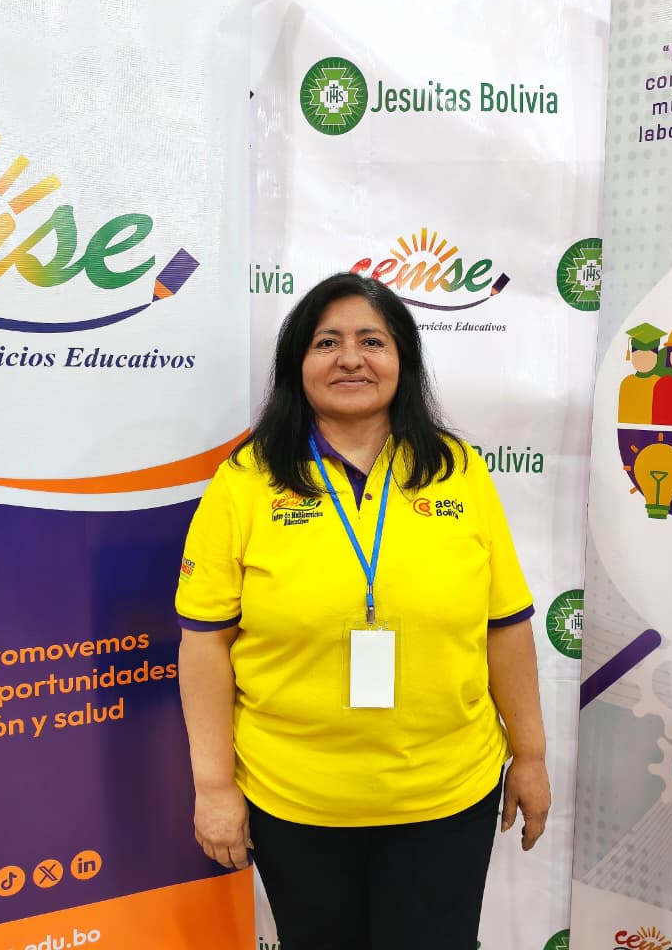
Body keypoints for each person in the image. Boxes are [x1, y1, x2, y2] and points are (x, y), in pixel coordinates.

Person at [174, 272, 550, 949]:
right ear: (298, 364)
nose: (351, 358)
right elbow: (204, 643)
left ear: (403, 361)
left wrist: (531, 755)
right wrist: (214, 787)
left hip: (445, 795)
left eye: (372, 341)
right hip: (296, 799)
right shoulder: (246, 481)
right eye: (327, 342)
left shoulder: (458, 469)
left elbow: (506, 626)